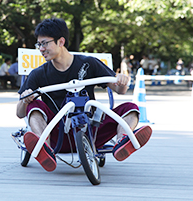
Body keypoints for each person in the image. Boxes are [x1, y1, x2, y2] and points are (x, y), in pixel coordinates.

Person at [16, 18, 152, 172]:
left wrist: (122, 81)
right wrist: (25, 99)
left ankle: (122, 142)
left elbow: (120, 91)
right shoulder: (38, 74)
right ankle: (43, 147)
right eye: (38, 44)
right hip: (55, 134)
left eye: (45, 43)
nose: (41, 49)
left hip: (91, 132)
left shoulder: (89, 64)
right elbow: (19, 113)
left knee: (131, 108)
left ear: (61, 42)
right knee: (34, 105)